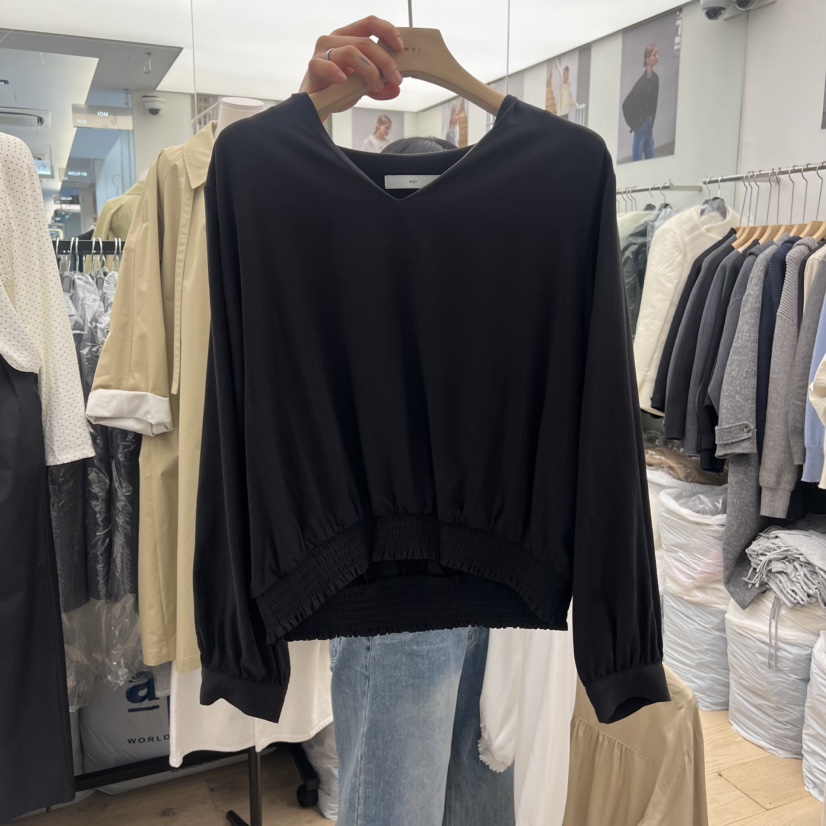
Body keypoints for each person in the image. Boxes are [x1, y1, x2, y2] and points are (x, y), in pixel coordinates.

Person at [300, 18, 515, 826]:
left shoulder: (507, 257)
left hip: (480, 572)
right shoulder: (340, 264)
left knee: (473, 781)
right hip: (416, 580)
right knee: (422, 793)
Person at [622, 42, 659, 161]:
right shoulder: (641, 84)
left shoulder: (655, 79)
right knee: (636, 161)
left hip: (649, 127)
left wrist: (651, 123)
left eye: (657, 54)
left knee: (651, 161)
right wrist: (635, 125)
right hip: (641, 127)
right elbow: (626, 105)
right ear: (647, 60)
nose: (657, 57)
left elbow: (654, 103)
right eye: (654, 54)